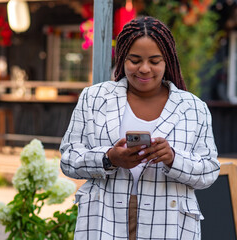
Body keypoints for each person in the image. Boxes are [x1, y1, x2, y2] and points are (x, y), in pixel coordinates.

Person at [60, 16, 220, 240]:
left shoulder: (193, 108)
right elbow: (68, 158)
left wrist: (173, 158)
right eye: (135, 60)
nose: (144, 69)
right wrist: (109, 158)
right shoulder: (94, 98)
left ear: (168, 61)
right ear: (123, 58)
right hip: (104, 221)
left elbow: (210, 170)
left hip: (169, 223)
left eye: (154, 61)